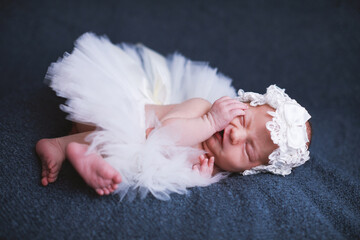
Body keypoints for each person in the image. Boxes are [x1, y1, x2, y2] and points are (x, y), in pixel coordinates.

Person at [36, 33, 312, 200]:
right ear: (243, 103)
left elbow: (166, 167)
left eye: (248, 148)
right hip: (108, 120)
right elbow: (162, 135)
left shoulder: (215, 164)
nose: (235, 134)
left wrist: (199, 176)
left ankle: (92, 162)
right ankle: (61, 145)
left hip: (127, 150)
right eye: (242, 120)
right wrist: (209, 122)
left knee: (137, 168)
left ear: (250, 170)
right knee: (136, 135)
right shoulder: (202, 109)